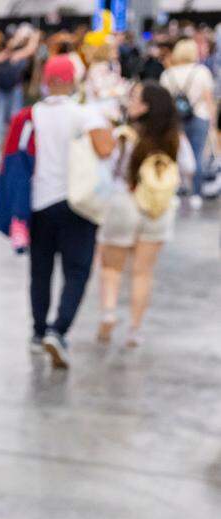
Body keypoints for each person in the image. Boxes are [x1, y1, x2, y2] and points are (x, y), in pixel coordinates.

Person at [27, 55, 114, 368]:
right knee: (76, 271)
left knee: (41, 271)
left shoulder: (32, 114)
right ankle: (58, 330)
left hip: (39, 203)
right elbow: (105, 148)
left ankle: (38, 331)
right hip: (77, 203)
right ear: (71, 80)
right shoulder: (84, 113)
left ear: (47, 81)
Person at [98, 82, 193, 347]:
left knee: (111, 267)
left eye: (135, 98)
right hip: (158, 208)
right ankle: (135, 330)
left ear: (145, 107)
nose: (130, 102)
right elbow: (189, 168)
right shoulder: (175, 139)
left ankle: (108, 313)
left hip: (124, 202)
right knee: (143, 273)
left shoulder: (125, 135)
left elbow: (108, 167)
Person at [161, 38, 216, 208]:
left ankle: (175, 191)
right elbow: (208, 98)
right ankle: (196, 194)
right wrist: (213, 122)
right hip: (200, 116)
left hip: (175, 119)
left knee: (175, 154)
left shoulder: (168, 74)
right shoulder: (202, 72)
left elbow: (165, 102)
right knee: (197, 154)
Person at [0, 27, 40, 143]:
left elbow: (30, 49)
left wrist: (33, 37)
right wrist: (15, 41)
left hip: (14, 88)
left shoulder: (17, 54)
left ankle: (14, 138)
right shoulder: (1, 54)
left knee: (15, 115)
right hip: (1, 89)